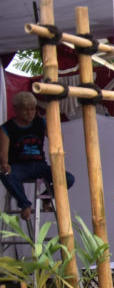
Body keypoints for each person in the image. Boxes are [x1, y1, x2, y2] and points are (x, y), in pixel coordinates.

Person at [0, 92, 75, 220]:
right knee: (6, 175)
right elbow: (3, 153)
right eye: (26, 110)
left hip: (40, 165)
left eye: (33, 109)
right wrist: (5, 164)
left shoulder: (41, 123)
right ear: (16, 110)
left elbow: (56, 138)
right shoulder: (6, 128)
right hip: (19, 167)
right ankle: (25, 204)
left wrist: (55, 134)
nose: (30, 113)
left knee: (68, 178)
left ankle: (46, 198)